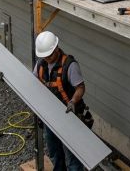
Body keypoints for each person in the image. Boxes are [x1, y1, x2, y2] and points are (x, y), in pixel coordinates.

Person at [33, 31, 86, 171]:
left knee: (73, 156)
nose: (48, 59)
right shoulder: (40, 65)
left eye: (50, 55)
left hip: (69, 114)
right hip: (50, 115)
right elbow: (33, 84)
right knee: (54, 150)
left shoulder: (70, 65)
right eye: (44, 56)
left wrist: (73, 102)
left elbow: (80, 87)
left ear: (56, 48)